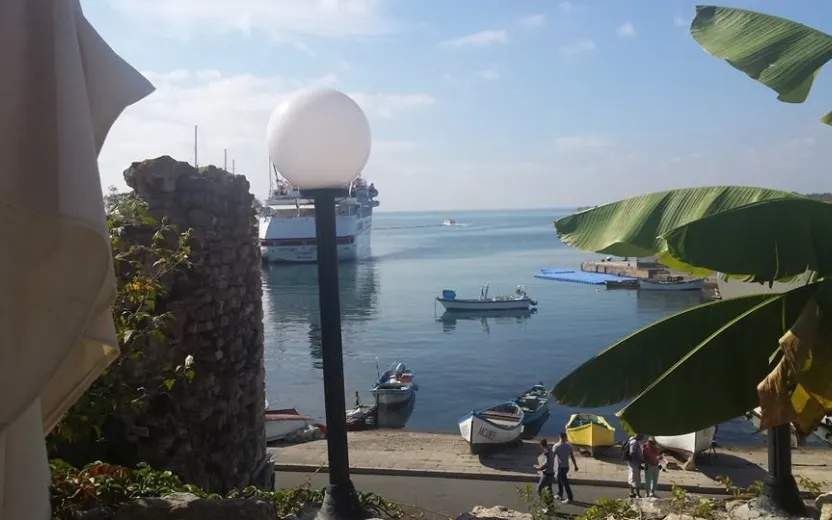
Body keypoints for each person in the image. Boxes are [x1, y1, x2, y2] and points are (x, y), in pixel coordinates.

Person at [553, 432, 578, 503]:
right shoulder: (569, 446)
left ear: (559, 437)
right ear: (565, 437)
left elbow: (552, 456)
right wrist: (575, 466)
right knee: (558, 479)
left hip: (561, 467)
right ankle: (560, 494)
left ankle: (570, 498)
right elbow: (572, 456)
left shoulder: (556, 446)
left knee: (564, 482)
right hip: (566, 467)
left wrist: (549, 466)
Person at [533, 439, 556, 505]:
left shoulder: (546, 452)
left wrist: (538, 468)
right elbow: (548, 462)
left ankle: (547, 504)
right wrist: (540, 466)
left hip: (547, 474)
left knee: (539, 489)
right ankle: (551, 506)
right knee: (549, 491)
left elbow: (546, 464)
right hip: (551, 473)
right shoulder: (551, 450)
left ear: (541, 445)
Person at [624, 434, 645, 498]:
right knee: (636, 479)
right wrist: (638, 463)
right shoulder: (634, 442)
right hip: (635, 463)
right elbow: (632, 453)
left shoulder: (631, 440)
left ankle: (632, 492)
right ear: (638, 435)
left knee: (632, 477)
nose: (643, 437)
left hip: (631, 463)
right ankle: (638, 495)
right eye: (642, 436)